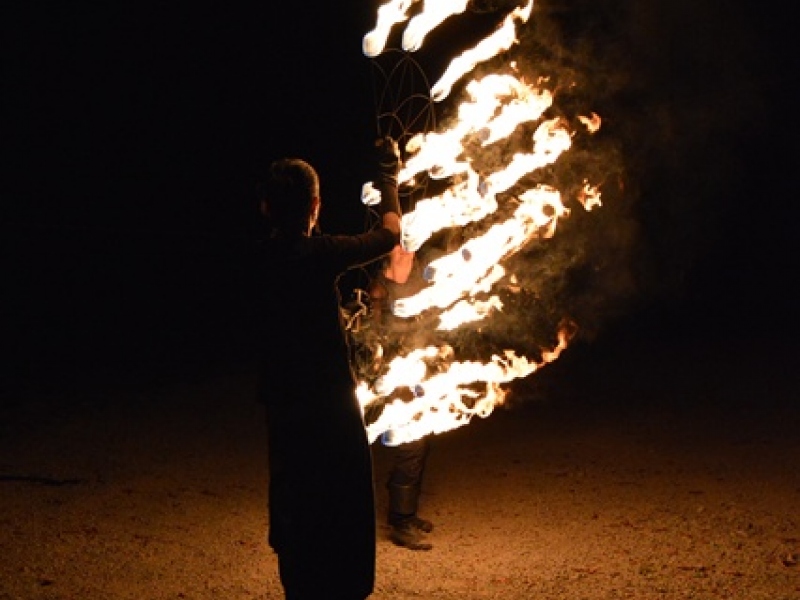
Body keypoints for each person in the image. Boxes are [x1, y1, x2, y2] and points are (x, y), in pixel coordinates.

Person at [255, 138, 403, 600]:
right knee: (342, 499)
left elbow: (287, 317)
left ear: (266, 207)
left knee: (295, 497)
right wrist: (390, 177)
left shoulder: (259, 259)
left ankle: (301, 587)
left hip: (283, 401)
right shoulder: (321, 253)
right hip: (330, 404)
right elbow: (389, 236)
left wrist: (342, 316)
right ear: (315, 205)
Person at [366, 247, 435, 551]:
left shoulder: (424, 284)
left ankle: (405, 511)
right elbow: (368, 338)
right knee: (411, 444)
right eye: (399, 252)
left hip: (419, 374)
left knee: (420, 445)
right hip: (394, 379)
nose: (407, 255)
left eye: (411, 252)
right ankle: (401, 521)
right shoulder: (379, 291)